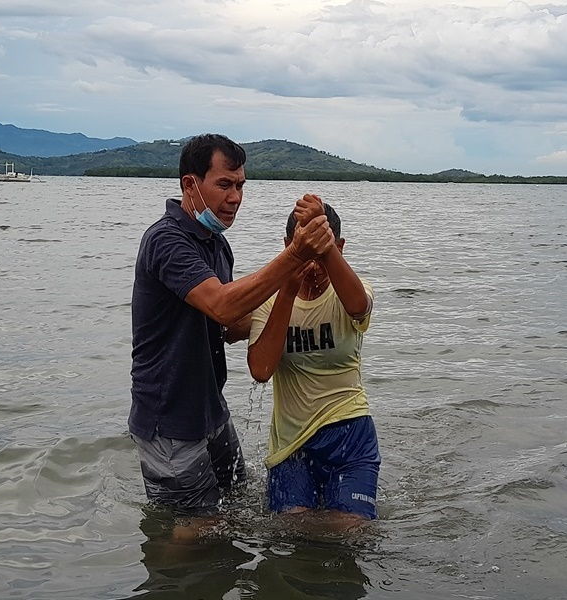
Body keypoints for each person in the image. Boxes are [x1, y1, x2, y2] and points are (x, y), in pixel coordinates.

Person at [129, 134, 335, 518]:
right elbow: (222, 306)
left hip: (211, 410)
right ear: (190, 184)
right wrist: (294, 256)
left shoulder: (217, 244)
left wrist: (306, 305)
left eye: (241, 185)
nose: (236, 197)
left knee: (240, 501)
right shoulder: (166, 240)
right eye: (224, 184)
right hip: (169, 422)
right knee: (194, 532)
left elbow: (231, 324)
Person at [247, 197, 379, 529]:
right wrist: (288, 289)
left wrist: (324, 246)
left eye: (322, 254)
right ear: (287, 247)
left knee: (352, 529)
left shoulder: (351, 289)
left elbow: (358, 306)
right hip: (291, 441)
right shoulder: (271, 300)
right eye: (305, 253)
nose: (314, 267)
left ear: (340, 248)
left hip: (348, 429)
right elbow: (261, 370)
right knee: (289, 530)